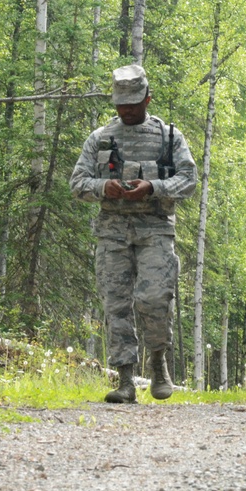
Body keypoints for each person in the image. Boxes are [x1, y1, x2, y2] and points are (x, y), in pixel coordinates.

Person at [70, 64, 197, 403]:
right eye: (120, 104)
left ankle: (158, 365)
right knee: (116, 304)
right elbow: (77, 183)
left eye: (132, 104)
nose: (126, 110)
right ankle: (125, 380)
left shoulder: (169, 137)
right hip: (113, 233)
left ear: (147, 99)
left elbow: (188, 179)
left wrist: (153, 187)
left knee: (155, 299)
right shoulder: (100, 138)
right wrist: (104, 187)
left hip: (155, 231)